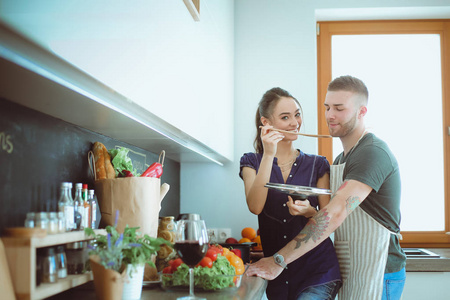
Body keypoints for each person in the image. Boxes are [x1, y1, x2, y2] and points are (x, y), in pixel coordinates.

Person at [246, 76, 407, 300]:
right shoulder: (342, 158)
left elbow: (337, 212)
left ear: (362, 112)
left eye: (339, 109)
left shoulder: (371, 152)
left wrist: (277, 260)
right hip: (353, 266)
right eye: (327, 107)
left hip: (380, 268)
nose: (330, 115)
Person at [239, 87, 342, 300]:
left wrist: (308, 212)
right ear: (266, 123)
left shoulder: (318, 164)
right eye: (285, 117)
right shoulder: (251, 162)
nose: (295, 123)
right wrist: (269, 154)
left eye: (297, 114)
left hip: (318, 271)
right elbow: (255, 206)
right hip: (277, 278)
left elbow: (328, 219)